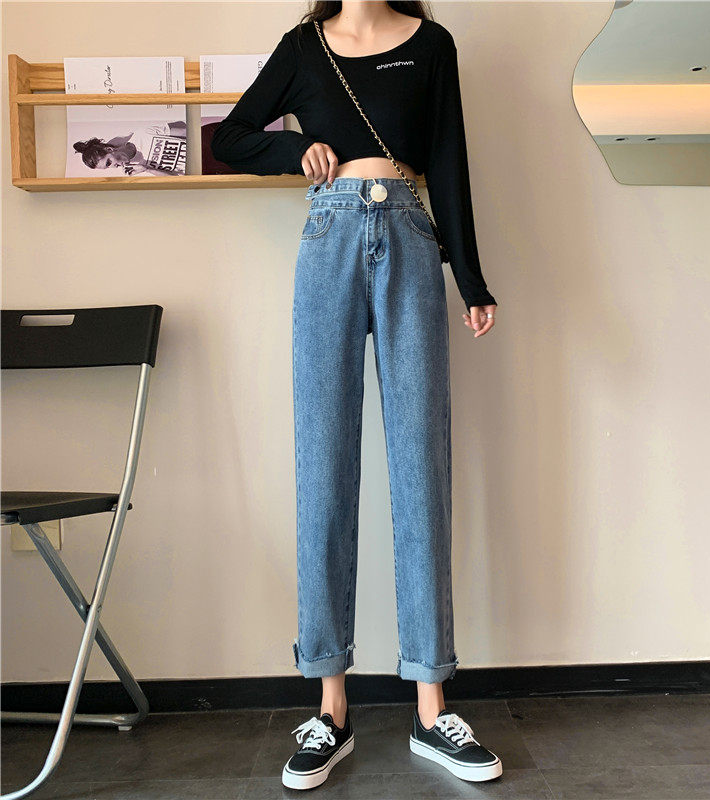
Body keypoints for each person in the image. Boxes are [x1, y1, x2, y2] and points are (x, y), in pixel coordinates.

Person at [211, 0, 500, 790]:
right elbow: (230, 137)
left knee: (422, 467)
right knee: (324, 467)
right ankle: (330, 709)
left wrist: (471, 278)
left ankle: (431, 707)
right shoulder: (304, 46)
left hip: (409, 235)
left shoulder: (431, 45)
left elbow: (449, 161)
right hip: (328, 238)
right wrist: (294, 149)